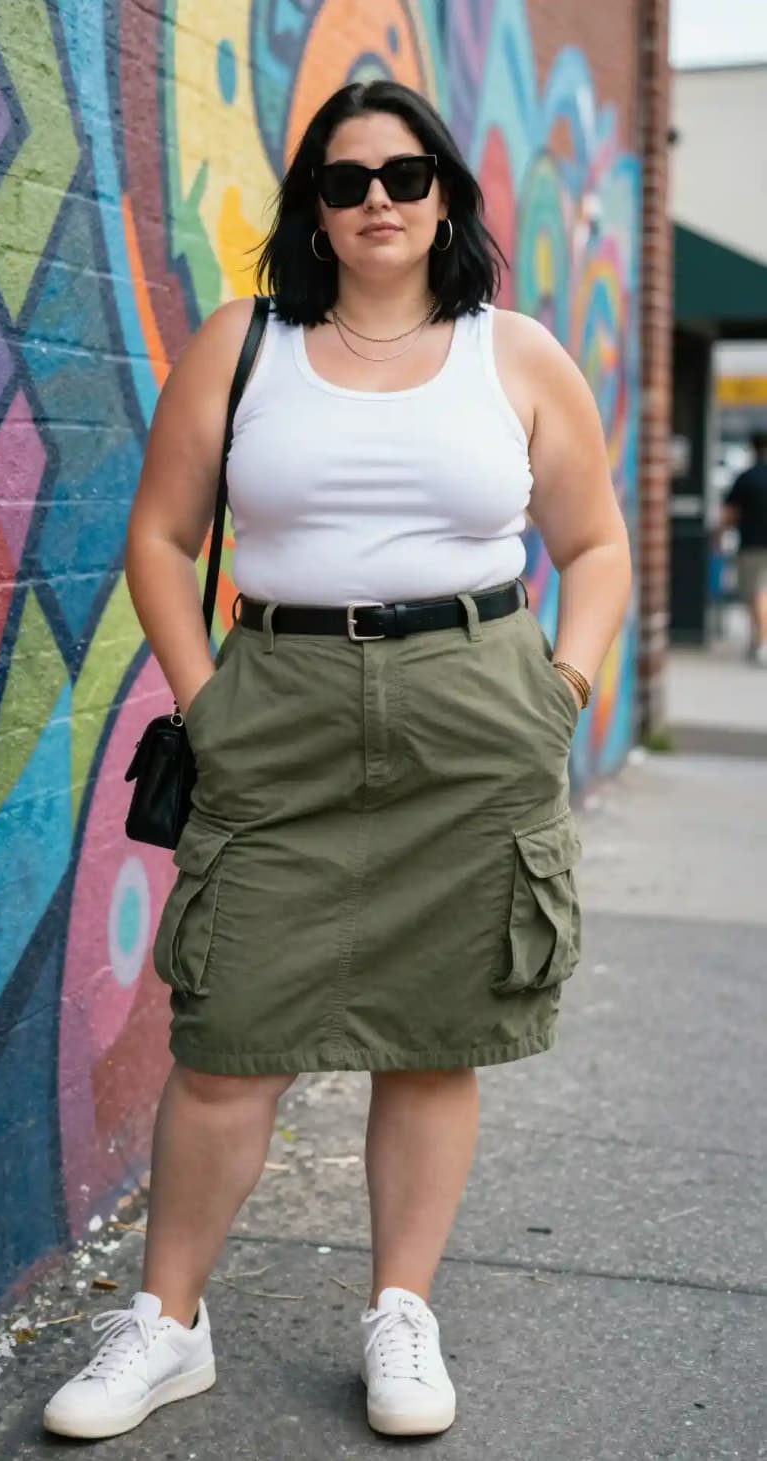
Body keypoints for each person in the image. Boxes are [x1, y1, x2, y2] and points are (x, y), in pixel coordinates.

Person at [43, 79, 631, 1442]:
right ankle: (168, 1323)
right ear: (314, 205)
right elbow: (159, 538)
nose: (378, 200)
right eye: (347, 178)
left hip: (477, 708)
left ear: (446, 199)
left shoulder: (516, 354)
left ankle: (400, 1311)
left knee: (434, 1035)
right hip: (280, 704)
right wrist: (208, 705)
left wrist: (562, 691)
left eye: (406, 176)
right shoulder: (245, 344)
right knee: (229, 1037)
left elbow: (597, 544)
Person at [720, 431, 767, 664]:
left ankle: (762, 642)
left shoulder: (747, 478)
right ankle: (758, 640)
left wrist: (719, 534)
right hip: (754, 544)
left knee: (756, 592)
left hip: (753, 544)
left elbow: (730, 513)